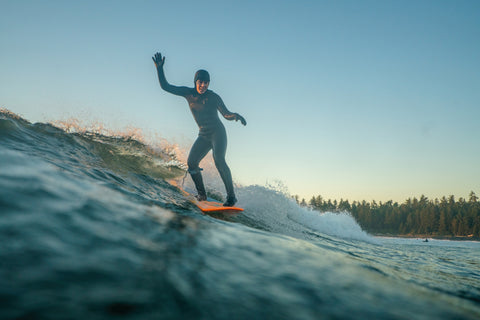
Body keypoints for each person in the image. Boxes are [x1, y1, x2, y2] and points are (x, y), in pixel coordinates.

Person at [152, 52, 246, 206]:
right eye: (200, 82)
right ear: (196, 81)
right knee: (192, 162)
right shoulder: (188, 93)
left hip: (218, 133)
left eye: (206, 83)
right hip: (203, 135)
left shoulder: (213, 97)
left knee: (219, 159)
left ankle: (231, 197)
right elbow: (165, 86)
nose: (203, 85)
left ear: (209, 84)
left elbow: (226, 114)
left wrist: (235, 115)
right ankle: (202, 195)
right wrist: (159, 69)